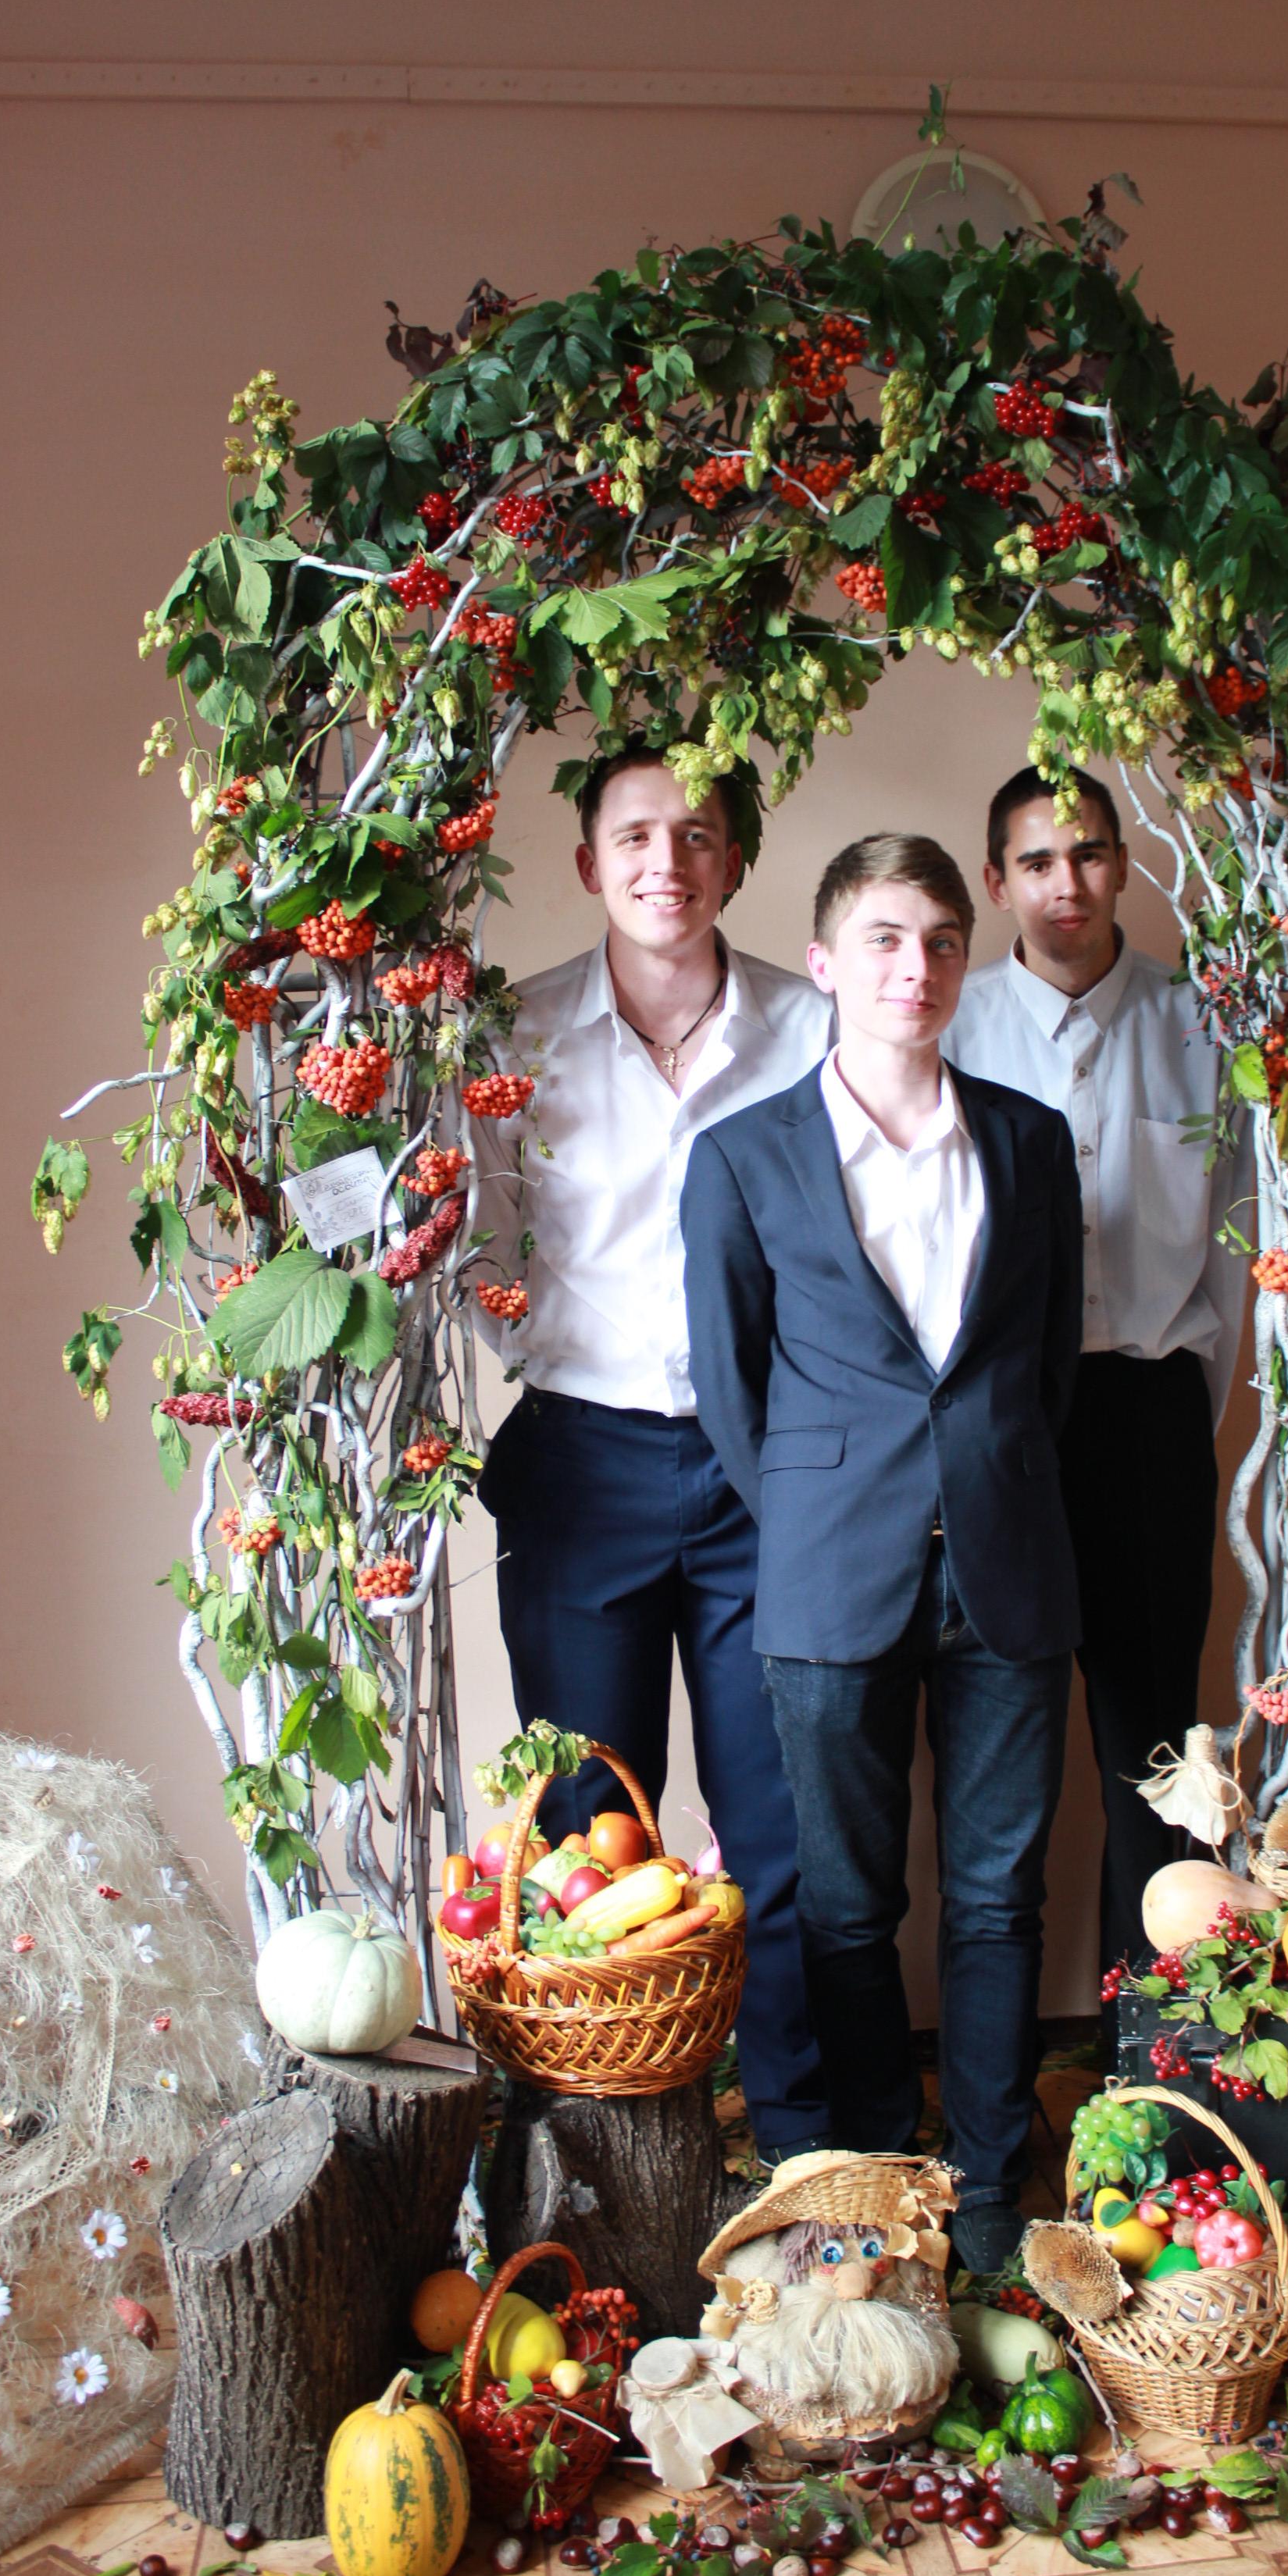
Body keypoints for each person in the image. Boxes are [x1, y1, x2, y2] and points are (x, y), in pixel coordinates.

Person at [680, 835, 1083, 2272]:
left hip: (1010, 1565)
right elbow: (732, 1391)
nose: (918, 969)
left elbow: (1047, 1370)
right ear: (827, 959)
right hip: (829, 1573)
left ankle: (986, 2184)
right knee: (846, 1910)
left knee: (998, 1901)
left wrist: (984, 1481)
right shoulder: (741, 1158)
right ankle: (868, 2177)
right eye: (887, 940)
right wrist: (825, 1505)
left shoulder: (1030, 1142)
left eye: (942, 942)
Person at [470, 743, 830, 2162]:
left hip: (767, 1469)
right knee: (583, 1823)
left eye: (694, 835)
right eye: (633, 836)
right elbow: (482, 1243)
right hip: (582, 1464)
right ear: (587, 864)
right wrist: (549, 1348)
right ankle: (604, 2152)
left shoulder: (811, 1026)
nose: (664, 863)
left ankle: (800, 2140)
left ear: (734, 860)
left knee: (780, 1822)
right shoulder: (517, 1034)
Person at [944, 765, 1251, 1988]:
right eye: (1035, 861)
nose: (1064, 884)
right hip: (998, 1417)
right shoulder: (948, 1025)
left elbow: (1236, 1249)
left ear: (1123, 864)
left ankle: (1160, 2036)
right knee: (993, 1742)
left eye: (1086, 854)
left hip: (1145, 1414)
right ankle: (994, 2054)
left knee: (1154, 1745)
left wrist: (1181, 1418)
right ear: (996, 881)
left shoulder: (1205, 1026)